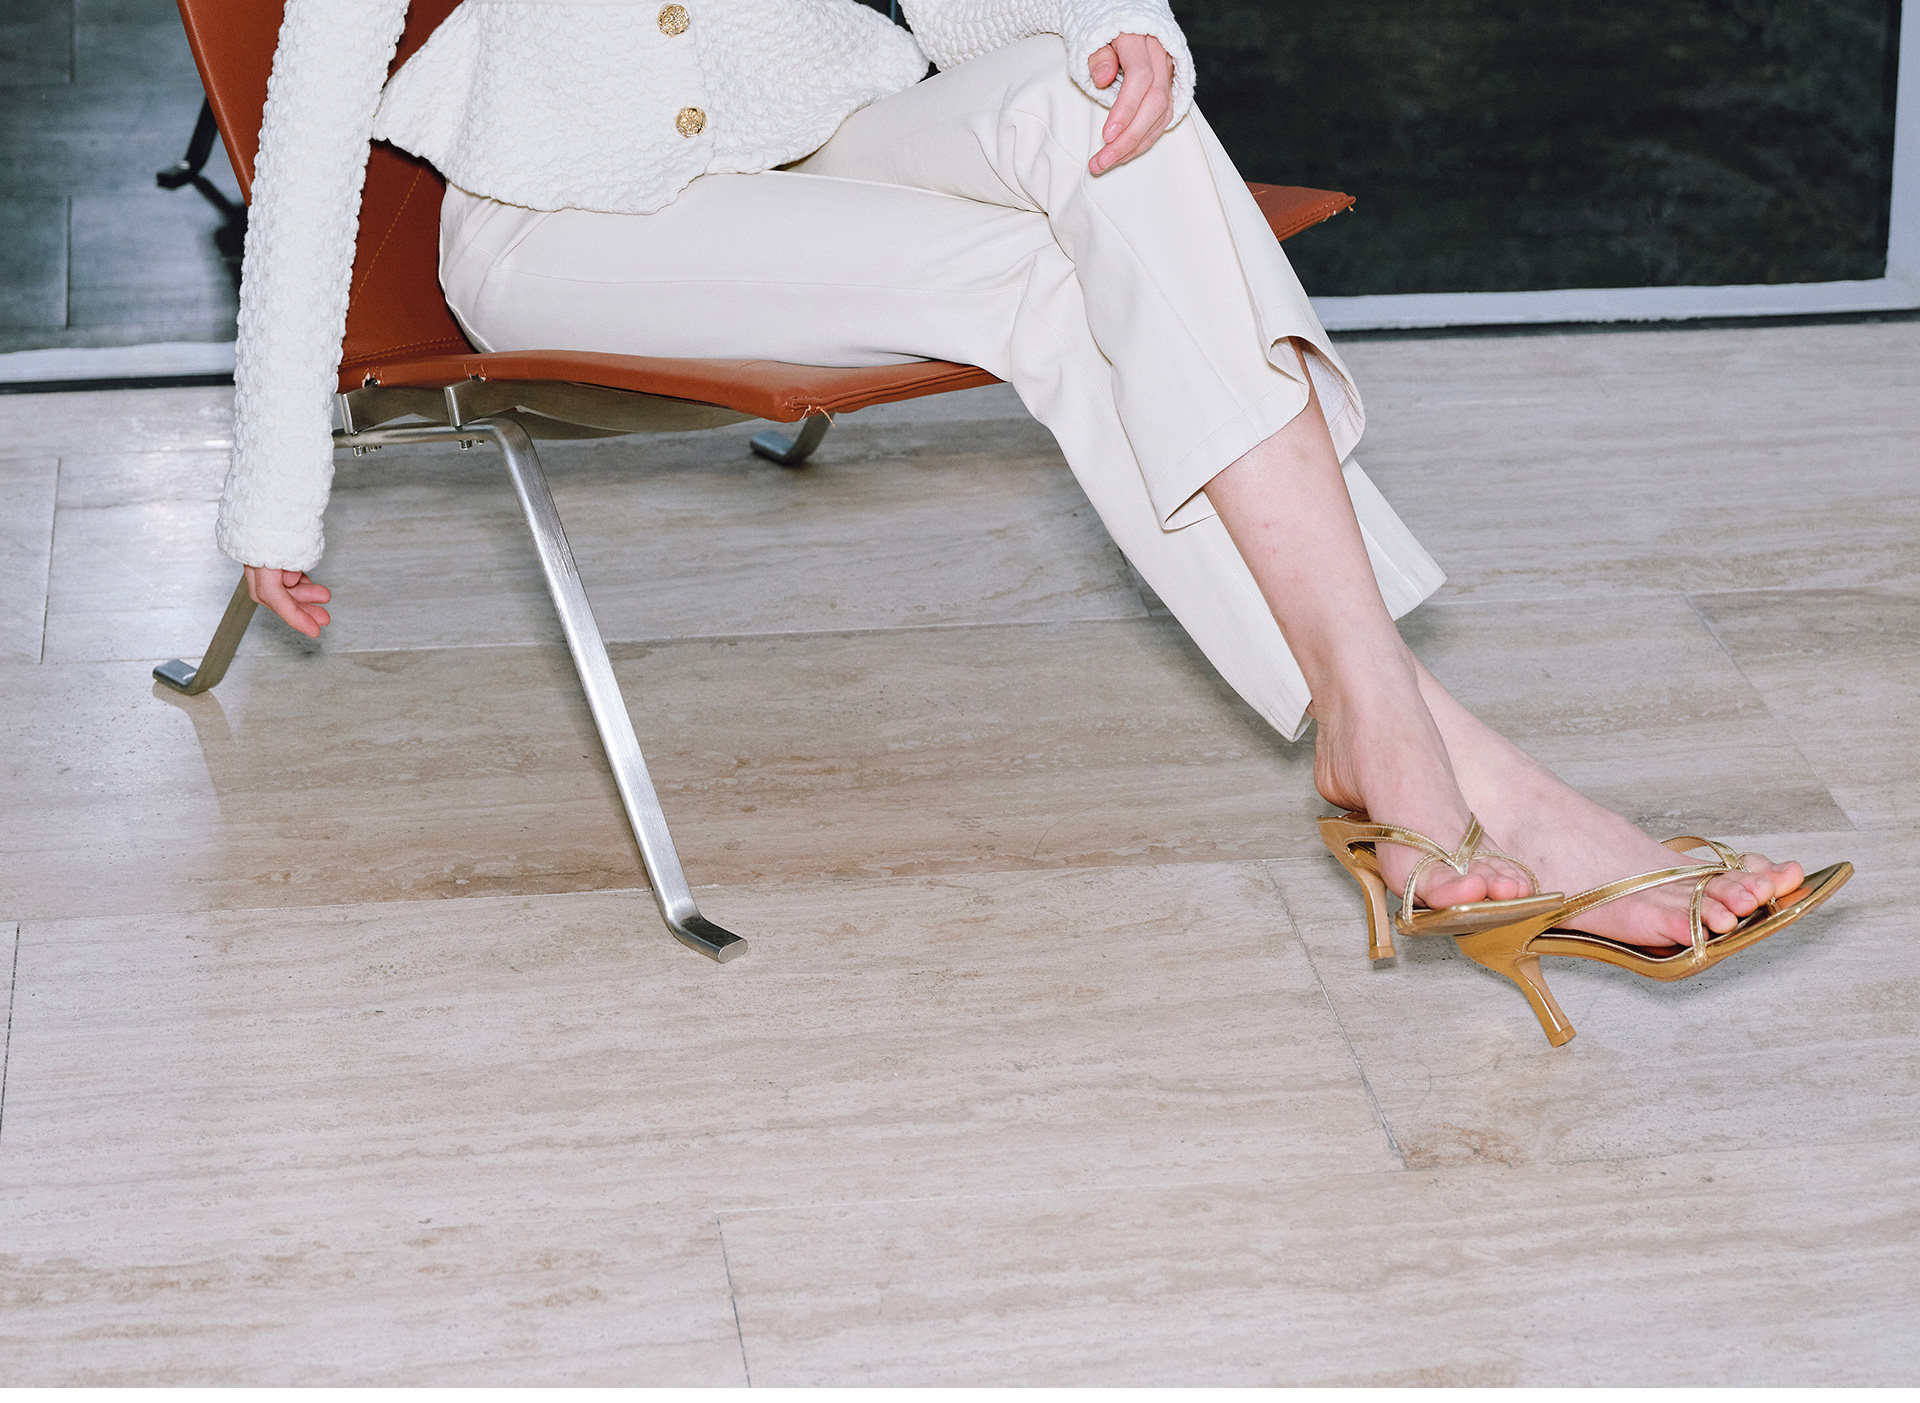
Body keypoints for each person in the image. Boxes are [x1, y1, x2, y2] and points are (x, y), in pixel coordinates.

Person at [216, 0, 1846, 1043]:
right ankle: (1488, 781)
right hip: (568, 224)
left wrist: (1120, 31)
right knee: (1034, 282)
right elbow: (309, 115)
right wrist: (275, 483)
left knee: (1106, 117)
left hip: (820, 134)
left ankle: (1387, 735)